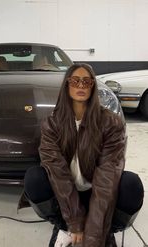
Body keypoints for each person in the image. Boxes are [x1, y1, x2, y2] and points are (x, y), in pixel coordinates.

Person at [21, 63, 144, 247]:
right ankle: (63, 226)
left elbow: (107, 178)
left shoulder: (111, 123)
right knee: (34, 178)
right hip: (66, 193)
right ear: (67, 85)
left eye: (86, 81)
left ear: (93, 86)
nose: (80, 85)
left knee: (131, 185)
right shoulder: (52, 124)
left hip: (96, 191)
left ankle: (106, 229)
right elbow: (58, 173)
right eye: (75, 81)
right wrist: (75, 224)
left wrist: (93, 238)